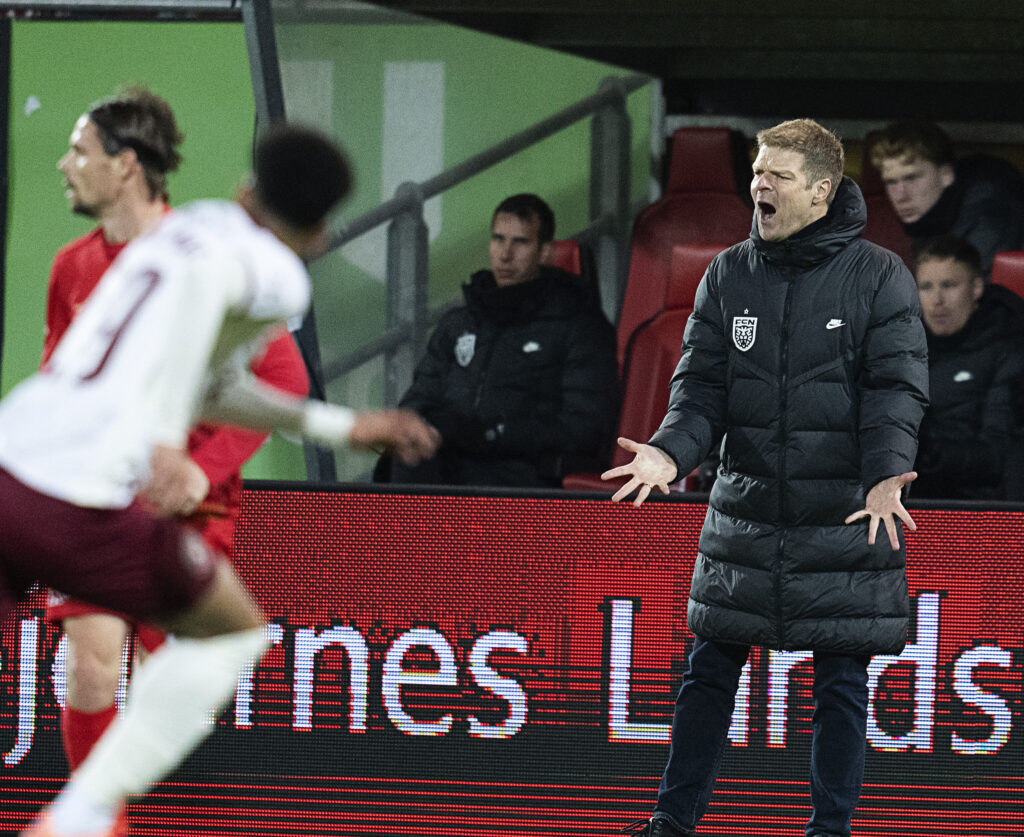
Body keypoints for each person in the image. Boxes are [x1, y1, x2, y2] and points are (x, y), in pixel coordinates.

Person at [3, 123, 439, 837]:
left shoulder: (191, 225)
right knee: (232, 635)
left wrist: (343, 426)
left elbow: (211, 380)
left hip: (9, 461)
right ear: (322, 232)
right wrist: (165, 439)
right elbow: (203, 306)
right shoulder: (277, 271)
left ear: (244, 190)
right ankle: (82, 814)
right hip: (78, 498)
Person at [604, 119, 929, 837]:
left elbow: (896, 390)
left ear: (820, 190)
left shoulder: (879, 276)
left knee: (841, 685)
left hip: (844, 512)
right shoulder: (728, 273)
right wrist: (668, 451)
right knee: (707, 676)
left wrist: (885, 475)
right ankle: (671, 822)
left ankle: (830, 828)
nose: (759, 185)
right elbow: (699, 395)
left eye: (777, 175)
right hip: (744, 512)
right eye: (757, 170)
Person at [44, 86, 311, 837]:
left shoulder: (207, 260)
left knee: (171, 688)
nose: (64, 166)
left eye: (79, 151)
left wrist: (203, 466)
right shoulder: (70, 267)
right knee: (93, 663)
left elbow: (286, 379)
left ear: (125, 166)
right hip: (99, 500)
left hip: (190, 508)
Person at [389, 193, 619, 487]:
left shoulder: (579, 326)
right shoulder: (459, 323)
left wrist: (491, 434)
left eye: (520, 242)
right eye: (498, 239)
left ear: (545, 252)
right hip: (446, 465)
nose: (505, 254)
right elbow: (417, 400)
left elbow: (586, 428)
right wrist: (429, 427)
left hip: (524, 477)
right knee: (404, 457)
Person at [911, 234, 1024, 500]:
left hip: (977, 506)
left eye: (948, 285)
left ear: (976, 288)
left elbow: (1000, 454)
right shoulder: (904, 348)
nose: (936, 299)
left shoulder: (1008, 351)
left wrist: (927, 453)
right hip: (911, 498)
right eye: (926, 287)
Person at [868, 119, 1024, 277]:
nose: (900, 196)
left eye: (912, 178)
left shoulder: (992, 217)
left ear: (946, 175)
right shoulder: (930, 219)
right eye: (891, 182)